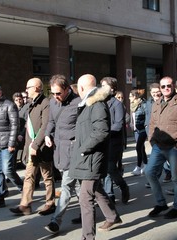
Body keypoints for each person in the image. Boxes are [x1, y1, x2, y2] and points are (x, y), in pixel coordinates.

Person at [69, 74, 122, 239]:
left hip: (92, 158)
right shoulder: (88, 104)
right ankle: (112, 216)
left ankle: (87, 237)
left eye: (78, 88)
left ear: (82, 88)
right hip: (87, 157)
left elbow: (101, 132)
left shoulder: (97, 105)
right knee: (96, 189)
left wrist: (83, 148)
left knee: (85, 197)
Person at [9, 77, 55, 216]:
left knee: (47, 176)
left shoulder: (45, 103)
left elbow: (45, 125)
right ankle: (25, 205)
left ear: (35, 88)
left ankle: (50, 203)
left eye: (28, 87)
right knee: (29, 176)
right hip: (32, 147)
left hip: (42, 147)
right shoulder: (31, 104)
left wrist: (35, 145)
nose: (26, 90)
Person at [44, 74, 81, 233]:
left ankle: (55, 221)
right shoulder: (52, 102)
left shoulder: (79, 103)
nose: (55, 96)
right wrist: (47, 134)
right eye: (52, 93)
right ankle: (107, 213)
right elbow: (51, 121)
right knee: (80, 187)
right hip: (59, 149)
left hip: (73, 150)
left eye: (58, 93)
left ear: (67, 89)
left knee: (66, 186)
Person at [0, 83, 22, 209]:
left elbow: (15, 125)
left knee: (8, 170)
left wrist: (12, 143)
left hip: (7, 144)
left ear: (0, 92)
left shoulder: (9, 105)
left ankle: (24, 189)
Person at [145, 76, 177, 219]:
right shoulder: (156, 103)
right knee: (149, 172)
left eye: (168, 85)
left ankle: (176, 207)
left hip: (173, 147)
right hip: (158, 146)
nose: (165, 89)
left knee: (176, 179)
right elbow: (152, 124)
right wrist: (152, 141)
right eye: (163, 86)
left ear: (174, 85)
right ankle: (161, 203)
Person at [101, 77, 130, 204]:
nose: (101, 88)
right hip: (102, 142)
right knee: (105, 170)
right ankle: (109, 194)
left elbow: (118, 125)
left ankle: (123, 186)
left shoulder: (117, 104)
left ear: (112, 89)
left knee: (111, 168)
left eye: (104, 86)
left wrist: (103, 132)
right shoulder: (100, 102)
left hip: (114, 142)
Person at [129, 89, 147, 175]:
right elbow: (133, 117)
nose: (129, 98)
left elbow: (147, 116)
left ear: (135, 97)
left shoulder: (142, 104)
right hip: (136, 130)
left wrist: (144, 125)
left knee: (138, 148)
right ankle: (146, 165)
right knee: (141, 148)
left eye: (130, 96)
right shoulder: (132, 106)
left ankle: (139, 167)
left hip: (142, 130)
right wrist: (132, 124)